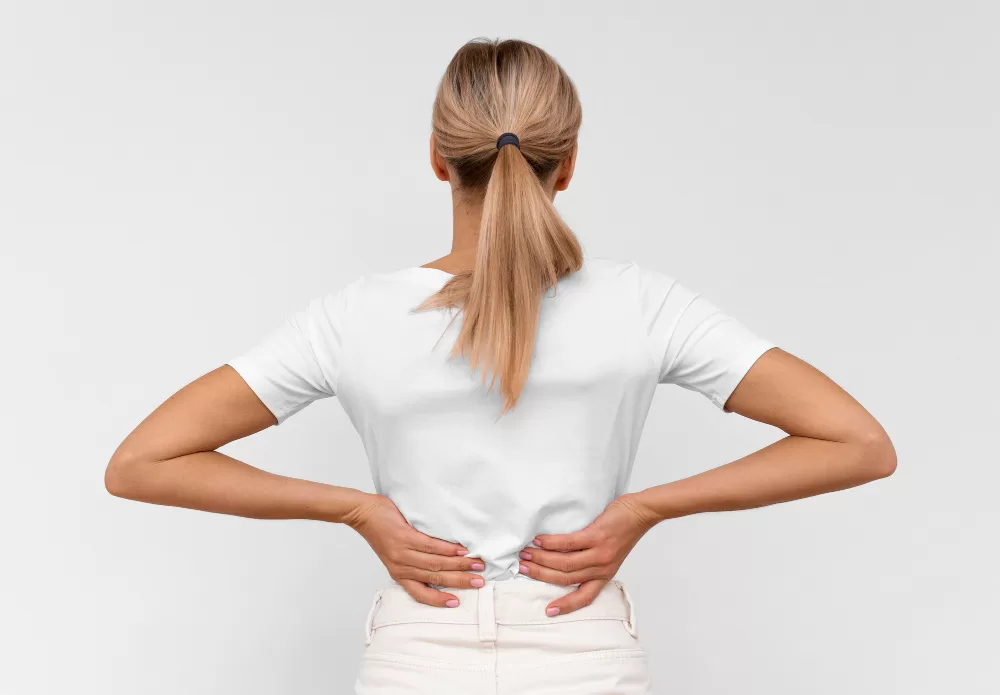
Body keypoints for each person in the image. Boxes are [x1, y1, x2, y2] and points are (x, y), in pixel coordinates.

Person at [104, 37, 897, 695]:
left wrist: (356, 509)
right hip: (582, 646)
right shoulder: (646, 305)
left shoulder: (354, 318)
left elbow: (141, 462)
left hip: (419, 650)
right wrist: (646, 508)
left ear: (438, 159)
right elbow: (858, 443)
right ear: (570, 162)